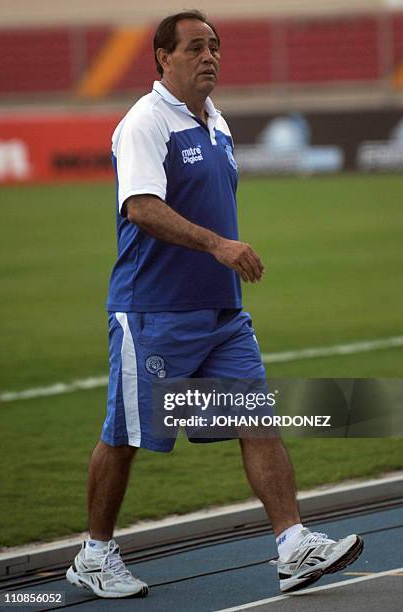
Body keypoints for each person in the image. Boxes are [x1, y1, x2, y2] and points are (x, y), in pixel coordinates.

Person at [66, 10, 363, 600]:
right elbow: (142, 208)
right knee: (124, 435)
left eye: (216, 47)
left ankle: (293, 545)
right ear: (162, 57)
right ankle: (94, 555)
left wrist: (221, 255)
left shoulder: (217, 122)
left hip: (222, 315)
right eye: (196, 47)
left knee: (257, 420)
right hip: (152, 312)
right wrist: (218, 244)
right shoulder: (144, 123)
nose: (210, 57)